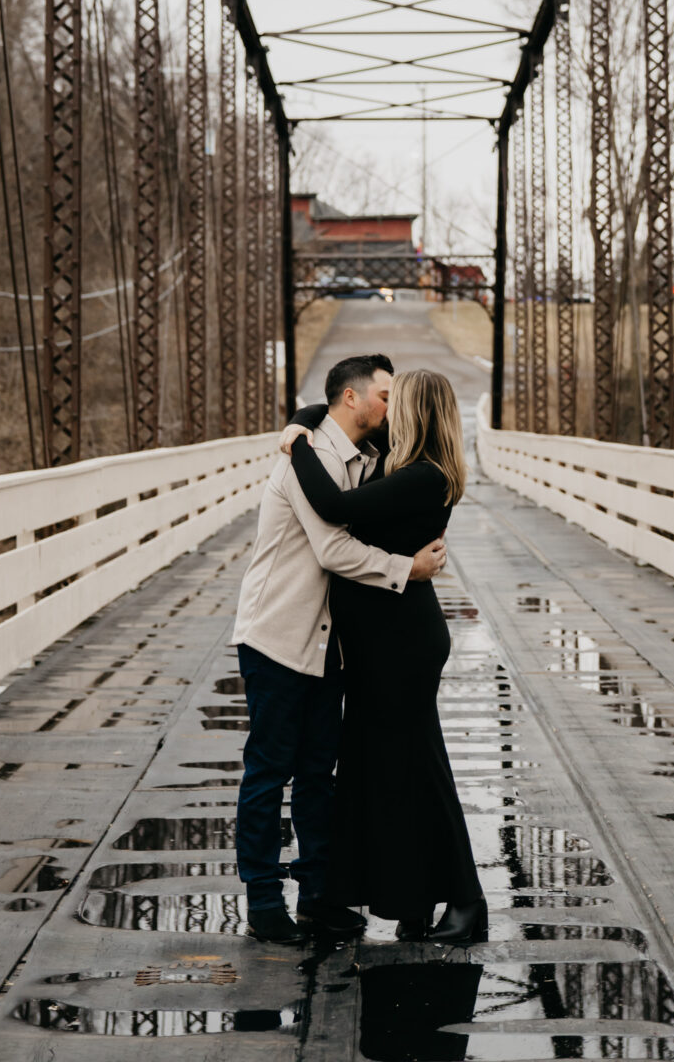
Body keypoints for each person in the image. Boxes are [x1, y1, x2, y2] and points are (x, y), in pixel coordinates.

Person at [231, 353, 448, 945]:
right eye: (384, 395)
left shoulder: (371, 459)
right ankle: (264, 899)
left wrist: (300, 415)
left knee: (318, 775)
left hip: (330, 644)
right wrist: (408, 569)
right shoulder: (308, 461)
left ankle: (319, 897)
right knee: (270, 770)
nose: (392, 406)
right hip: (279, 633)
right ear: (350, 399)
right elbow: (332, 550)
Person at [283, 368, 486, 945]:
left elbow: (329, 503)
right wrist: (307, 417)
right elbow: (345, 429)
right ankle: (412, 902)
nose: (388, 408)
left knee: (420, 770)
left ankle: (468, 902)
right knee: (389, 774)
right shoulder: (406, 467)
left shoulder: (423, 477)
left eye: (399, 400)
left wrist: (295, 441)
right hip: (384, 643)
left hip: (401, 647)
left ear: (417, 411)